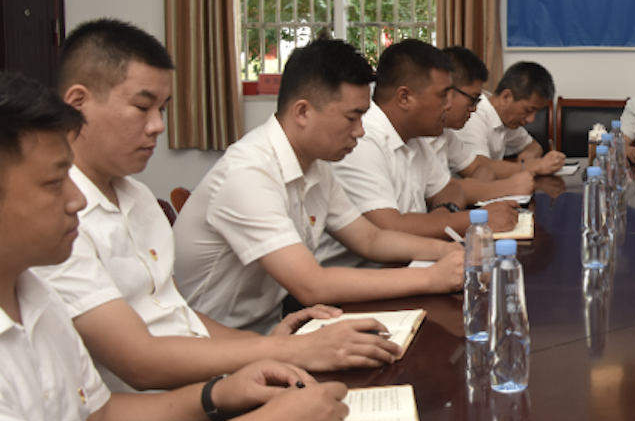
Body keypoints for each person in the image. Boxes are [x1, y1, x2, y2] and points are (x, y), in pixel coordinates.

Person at [0, 71, 349, 421]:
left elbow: (100, 418)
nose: (76, 199)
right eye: (54, 181)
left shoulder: (33, 290)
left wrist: (220, 394)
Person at [30, 19, 400, 394]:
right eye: (142, 107)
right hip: (161, 400)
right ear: (78, 104)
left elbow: (180, 316)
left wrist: (272, 347)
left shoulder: (137, 196)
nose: (158, 126)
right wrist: (287, 350)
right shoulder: (55, 220)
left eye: (163, 109)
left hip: (209, 373)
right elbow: (140, 363)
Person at [174, 39, 464, 334]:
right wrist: (432, 278)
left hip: (274, 329)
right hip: (212, 344)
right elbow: (312, 285)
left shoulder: (315, 166)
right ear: (302, 112)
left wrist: (447, 252)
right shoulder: (247, 175)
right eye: (352, 118)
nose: (360, 131)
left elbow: (370, 239)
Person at [318, 39, 517, 270]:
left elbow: (451, 189)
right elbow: (390, 228)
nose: (448, 105)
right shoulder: (362, 139)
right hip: (363, 277)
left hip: (410, 261)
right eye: (443, 96)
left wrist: (441, 215)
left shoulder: (415, 134)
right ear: (404, 98)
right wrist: (473, 219)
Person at [436, 46, 541, 200]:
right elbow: (442, 194)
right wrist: (509, 185)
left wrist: (477, 188)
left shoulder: (443, 133)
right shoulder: (472, 118)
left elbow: (481, 168)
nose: (474, 108)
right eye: (473, 99)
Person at [457, 61, 566, 175]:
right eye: (528, 110)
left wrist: (527, 157)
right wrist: (534, 166)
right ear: (506, 97)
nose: (531, 119)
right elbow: (478, 168)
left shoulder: (505, 118)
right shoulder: (472, 114)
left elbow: (534, 146)